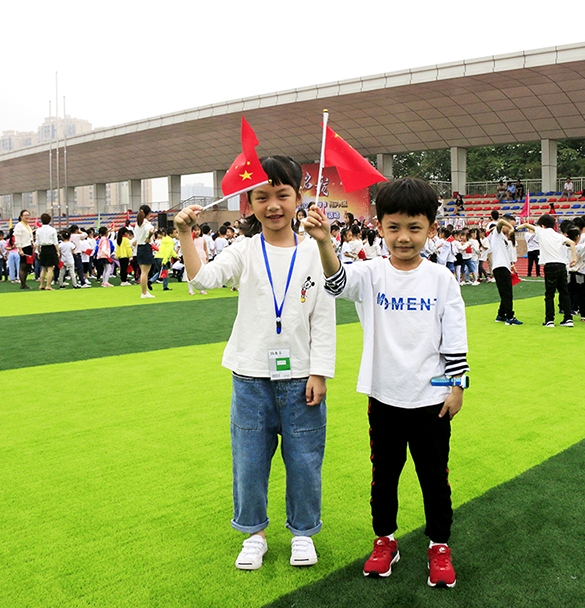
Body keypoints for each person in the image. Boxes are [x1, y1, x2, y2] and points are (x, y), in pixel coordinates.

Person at [174, 155, 336, 571]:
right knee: (248, 459)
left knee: (304, 460)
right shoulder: (244, 250)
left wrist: (320, 370)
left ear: (299, 197)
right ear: (249, 203)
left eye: (282, 195)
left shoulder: (315, 253)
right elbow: (201, 279)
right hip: (249, 376)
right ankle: (255, 533)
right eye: (262, 197)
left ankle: (303, 532)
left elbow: (324, 316)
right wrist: (185, 236)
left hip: (302, 378)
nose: (273, 205)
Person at [304, 177, 468, 589]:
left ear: (431, 228)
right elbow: (337, 284)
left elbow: (454, 334)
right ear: (379, 226)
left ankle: (439, 545)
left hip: (431, 398)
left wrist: (457, 385)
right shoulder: (371, 273)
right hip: (384, 396)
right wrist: (325, 242)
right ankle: (385, 541)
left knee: (434, 477)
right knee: (385, 475)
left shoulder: (441, 279)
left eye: (414, 228)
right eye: (394, 227)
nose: (404, 237)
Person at [518, 214, 577, 327]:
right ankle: (568, 318)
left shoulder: (541, 231)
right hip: (562, 265)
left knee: (549, 294)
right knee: (564, 293)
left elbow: (526, 224)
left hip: (550, 266)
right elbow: (572, 243)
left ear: (543, 225)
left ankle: (549, 320)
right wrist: (574, 258)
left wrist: (516, 228)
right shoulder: (558, 235)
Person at [491, 216, 522, 324]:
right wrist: (510, 226)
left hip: (504, 267)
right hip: (500, 267)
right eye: (510, 225)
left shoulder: (503, 237)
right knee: (507, 293)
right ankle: (510, 317)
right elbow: (500, 222)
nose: (511, 229)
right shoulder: (497, 233)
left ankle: (501, 314)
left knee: (506, 292)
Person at [131, 204, 155, 298]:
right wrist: (149, 237)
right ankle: (144, 292)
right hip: (145, 247)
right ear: (148, 213)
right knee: (145, 272)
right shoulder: (147, 225)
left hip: (139, 248)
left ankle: (144, 292)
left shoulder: (138, 224)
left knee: (143, 271)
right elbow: (150, 234)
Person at [34, 213, 59, 291]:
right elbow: (55, 242)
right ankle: (48, 285)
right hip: (51, 248)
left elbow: (37, 243)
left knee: (43, 268)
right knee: (50, 268)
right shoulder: (52, 230)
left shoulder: (38, 230)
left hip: (43, 248)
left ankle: (41, 285)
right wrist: (58, 251)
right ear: (49, 220)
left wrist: (39, 252)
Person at [13, 210, 34, 289]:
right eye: (25, 215)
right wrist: (20, 249)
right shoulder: (19, 225)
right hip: (23, 247)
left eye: (28, 215)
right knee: (23, 266)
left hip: (29, 246)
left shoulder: (27, 225)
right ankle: (23, 284)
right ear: (21, 216)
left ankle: (24, 282)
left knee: (27, 266)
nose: (27, 216)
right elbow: (18, 238)